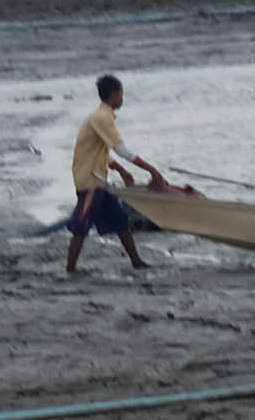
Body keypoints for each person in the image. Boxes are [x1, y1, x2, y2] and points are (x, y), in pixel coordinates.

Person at [62, 72, 180, 276]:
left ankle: (136, 262)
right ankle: (70, 270)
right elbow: (121, 150)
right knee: (81, 224)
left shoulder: (101, 117)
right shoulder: (102, 118)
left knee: (121, 221)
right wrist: (152, 170)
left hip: (100, 180)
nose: (122, 98)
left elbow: (100, 151)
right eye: (121, 94)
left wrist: (120, 169)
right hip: (89, 180)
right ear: (114, 95)